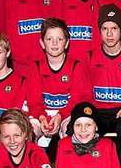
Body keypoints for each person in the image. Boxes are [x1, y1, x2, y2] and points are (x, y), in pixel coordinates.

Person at [27, 18, 92, 160]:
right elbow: (33, 101)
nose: (55, 43)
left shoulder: (76, 66)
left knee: (73, 128)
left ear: (67, 43)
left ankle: (72, 166)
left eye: (59, 39)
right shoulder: (35, 67)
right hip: (42, 114)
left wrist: (60, 116)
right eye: (49, 39)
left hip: (66, 114)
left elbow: (76, 101)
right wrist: (42, 117)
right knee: (26, 130)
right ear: (42, 43)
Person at [88, 4, 121, 164]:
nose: (109, 34)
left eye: (114, 28)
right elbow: (83, 92)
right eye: (105, 28)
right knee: (79, 126)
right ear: (99, 31)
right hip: (99, 111)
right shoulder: (90, 57)